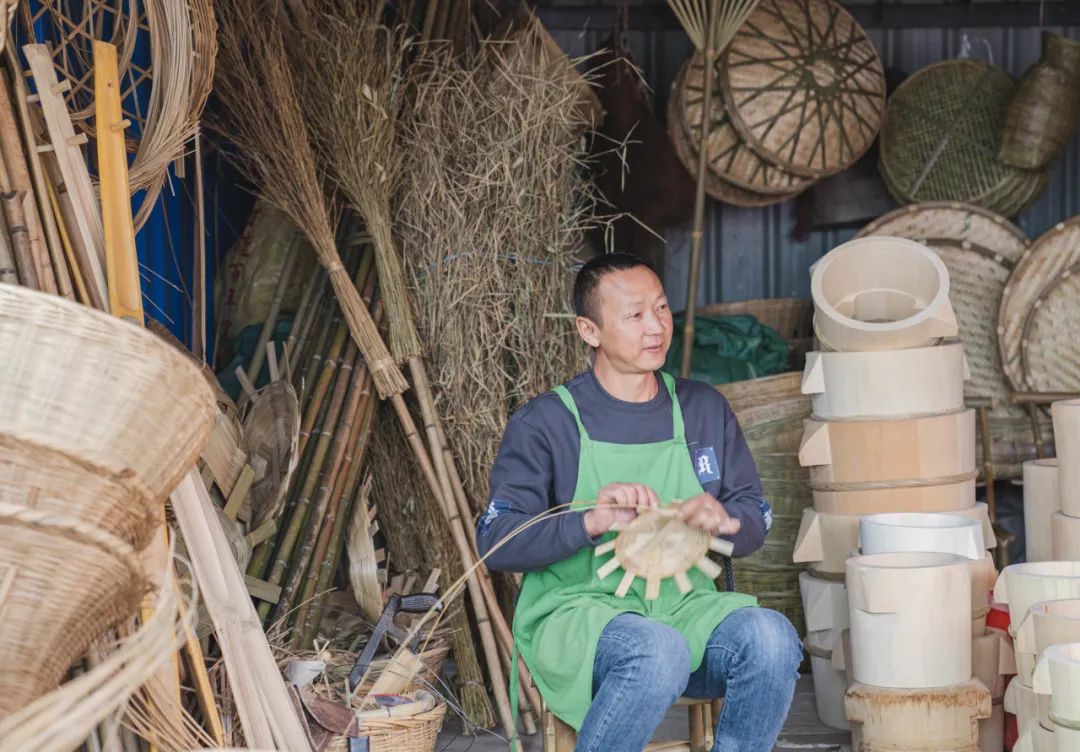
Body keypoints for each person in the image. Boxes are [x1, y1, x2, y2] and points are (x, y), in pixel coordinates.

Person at [476, 253, 802, 752]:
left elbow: (754, 513)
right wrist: (591, 520)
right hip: (580, 618)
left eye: (662, 308)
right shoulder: (547, 422)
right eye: (634, 315)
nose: (656, 326)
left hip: (687, 610)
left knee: (772, 639)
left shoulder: (702, 408)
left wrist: (726, 520)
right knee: (656, 649)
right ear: (589, 330)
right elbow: (496, 541)